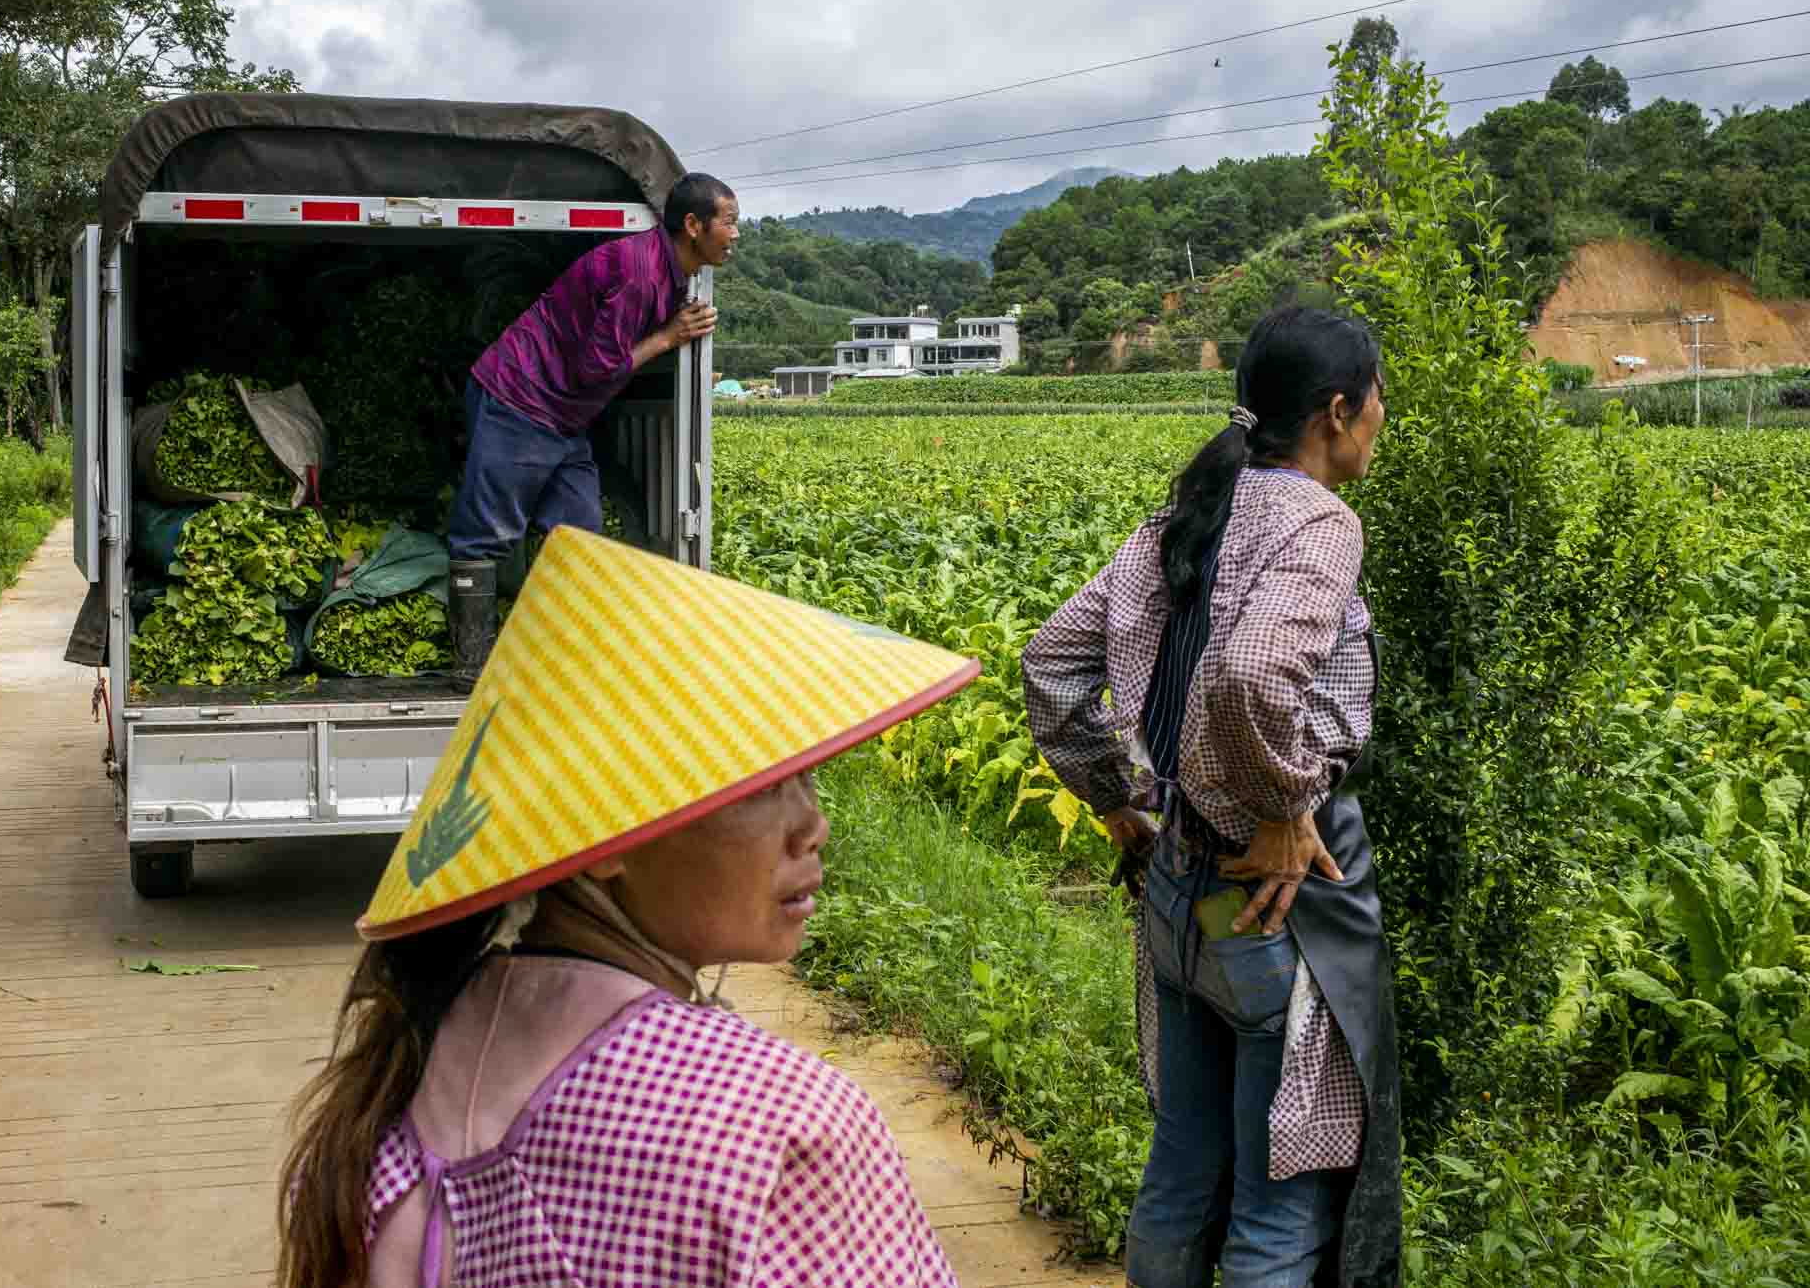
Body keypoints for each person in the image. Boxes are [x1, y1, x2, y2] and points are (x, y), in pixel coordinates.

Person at [280, 526, 982, 1288]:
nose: (813, 826)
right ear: (602, 840)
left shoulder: (399, 1083)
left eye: (806, 778)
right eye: (759, 785)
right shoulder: (779, 1125)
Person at [1022, 305, 1401, 1288]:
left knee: (1184, 1169)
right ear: (1336, 411)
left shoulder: (1184, 518)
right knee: (1280, 1205)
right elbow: (1248, 676)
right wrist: (1282, 807)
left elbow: (1051, 663)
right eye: (1378, 397)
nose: (1382, 416)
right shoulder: (1319, 523)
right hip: (1266, 906)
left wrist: (1119, 800)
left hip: (1177, 891)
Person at [444, 172, 738, 677]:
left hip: (565, 418)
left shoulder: (668, 272)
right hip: (521, 399)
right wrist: (668, 337)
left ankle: (551, 660)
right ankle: (472, 668)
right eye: (729, 222)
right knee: (486, 534)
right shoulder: (640, 275)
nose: (735, 234)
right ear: (693, 225)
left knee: (579, 534)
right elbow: (595, 370)